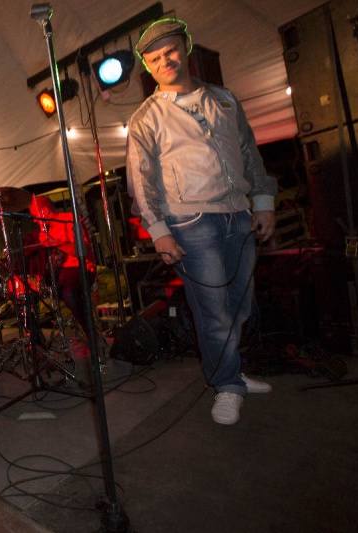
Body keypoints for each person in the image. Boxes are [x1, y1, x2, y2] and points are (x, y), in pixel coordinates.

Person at [126, 18, 276, 425]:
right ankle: (226, 384)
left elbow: (250, 153)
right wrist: (159, 232)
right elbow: (140, 180)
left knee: (240, 306)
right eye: (154, 58)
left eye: (170, 50)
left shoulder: (224, 99)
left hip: (238, 215)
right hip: (191, 222)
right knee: (213, 311)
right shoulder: (147, 117)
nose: (164, 60)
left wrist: (262, 202)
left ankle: (232, 372)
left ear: (186, 48)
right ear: (147, 66)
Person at [27, 195, 96, 341]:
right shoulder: (47, 230)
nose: (34, 220)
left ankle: (91, 333)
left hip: (80, 267)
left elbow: (81, 250)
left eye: (35, 215)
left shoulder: (69, 218)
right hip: (62, 271)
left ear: (45, 211)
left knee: (68, 291)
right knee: (27, 292)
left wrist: (55, 243)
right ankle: (37, 340)